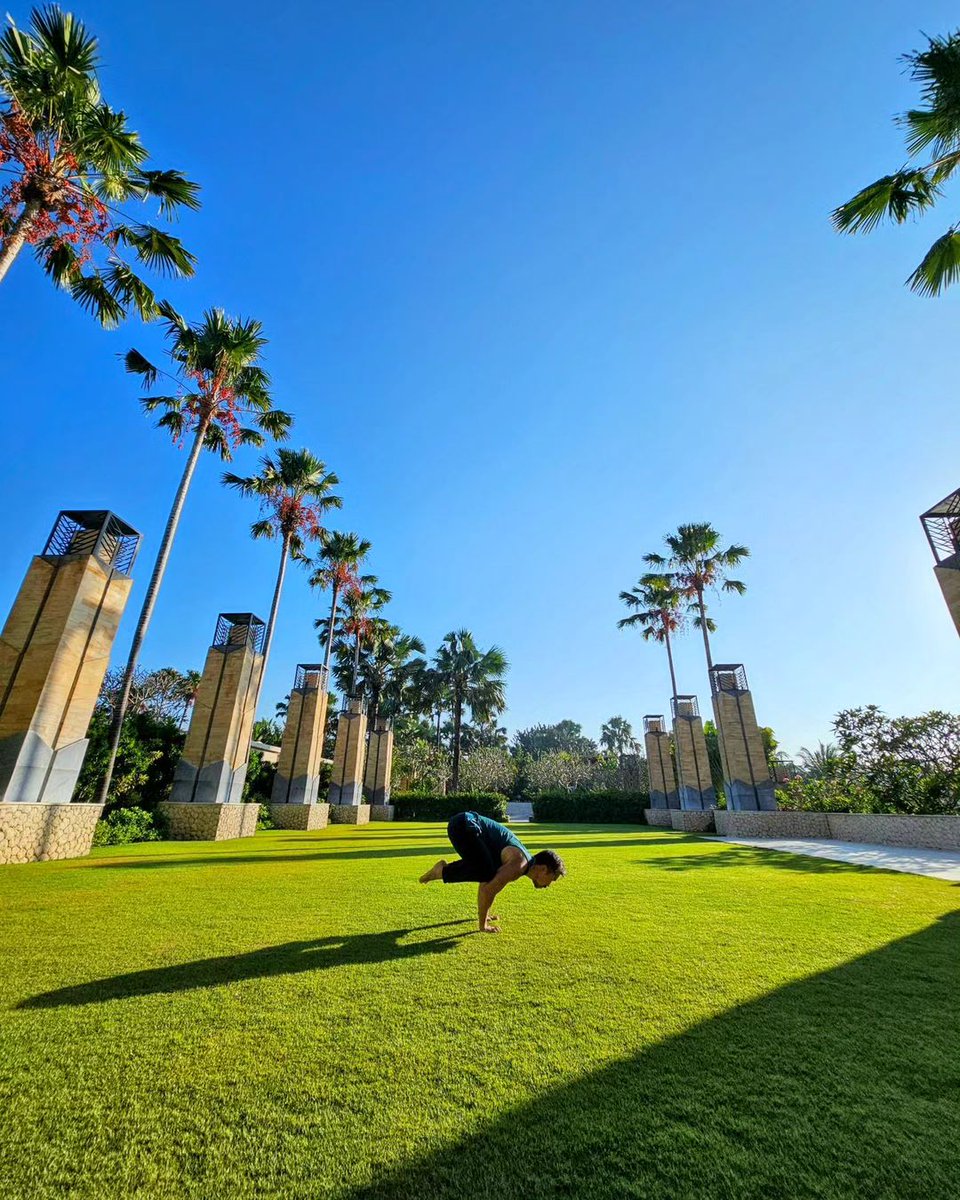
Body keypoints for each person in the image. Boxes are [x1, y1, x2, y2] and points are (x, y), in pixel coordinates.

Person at [419, 810, 566, 933]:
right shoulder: (519, 864)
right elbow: (488, 890)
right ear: (543, 869)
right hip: (464, 826)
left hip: (465, 824)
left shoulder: (522, 862)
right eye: (552, 878)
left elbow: (487, 884)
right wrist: (483, 926)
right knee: (486, 872)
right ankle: (441, 871)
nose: (548, 885)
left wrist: (486, 914)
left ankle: (442, 871)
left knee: (487, 872)